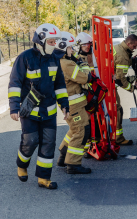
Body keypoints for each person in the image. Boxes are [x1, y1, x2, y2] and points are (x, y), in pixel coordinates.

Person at [8, 23, 69, 190]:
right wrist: (14, 108)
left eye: (55, 41)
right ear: (41, 40)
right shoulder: (25, 58)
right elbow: (15, 84)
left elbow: (60, 85)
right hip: (29, 111)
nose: (54, 45)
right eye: (51, 41)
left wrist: (64, 105)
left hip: (49, 111)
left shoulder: (54, 59)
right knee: (30, 141)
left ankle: (44, 178)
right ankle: (22, 164)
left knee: (48, 144)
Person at [55, 31, 94, 174]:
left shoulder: (63, 61)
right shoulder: (66, 64)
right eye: (71, 47)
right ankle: (73, 164)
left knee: (74, 128)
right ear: (64, 47)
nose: (73, 50)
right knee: (81, 130)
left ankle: (63, 155)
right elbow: (84, 78)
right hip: (73, 104)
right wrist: (83, 65)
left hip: (72, 104)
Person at [113, 34, 137, 145]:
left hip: (104, 85)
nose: (135, 48)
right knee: (117, 110)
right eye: (134, 46)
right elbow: (119, 79)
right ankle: (118, 139)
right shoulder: (122, 55)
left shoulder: (118, 48)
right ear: (128, 44)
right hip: (109, 88)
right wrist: (132, 88)